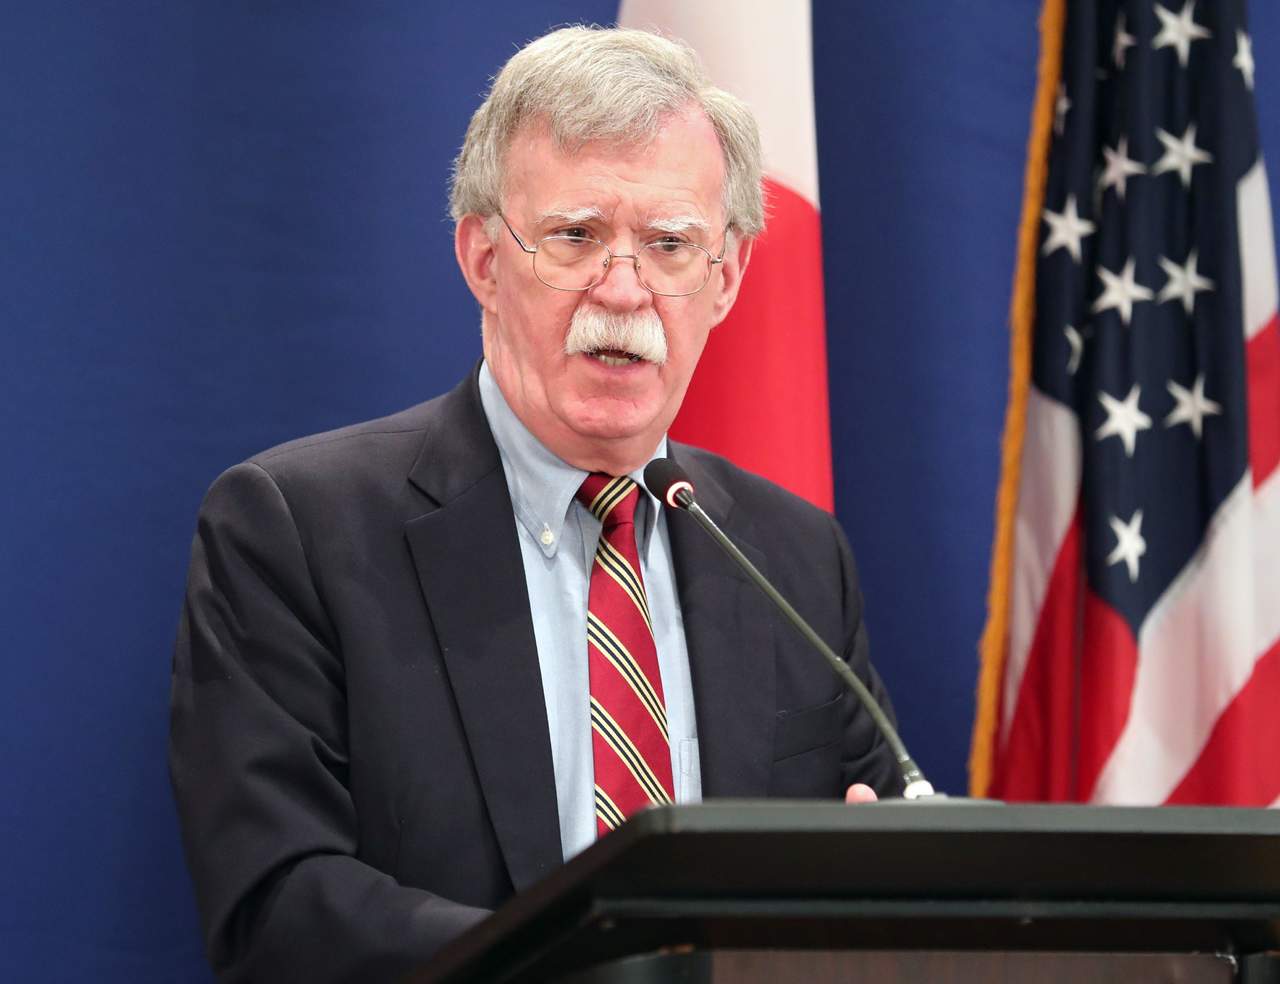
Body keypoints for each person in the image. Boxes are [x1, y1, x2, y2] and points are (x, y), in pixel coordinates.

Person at [170, 25, 901, 983]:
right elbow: (278, 904)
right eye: (576, 237)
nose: (624, 291)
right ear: (483, 258)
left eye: (669, 245)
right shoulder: (294, 532)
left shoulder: (794, 556)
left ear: (724, 279)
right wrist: (599, 972)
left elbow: (878, 848)